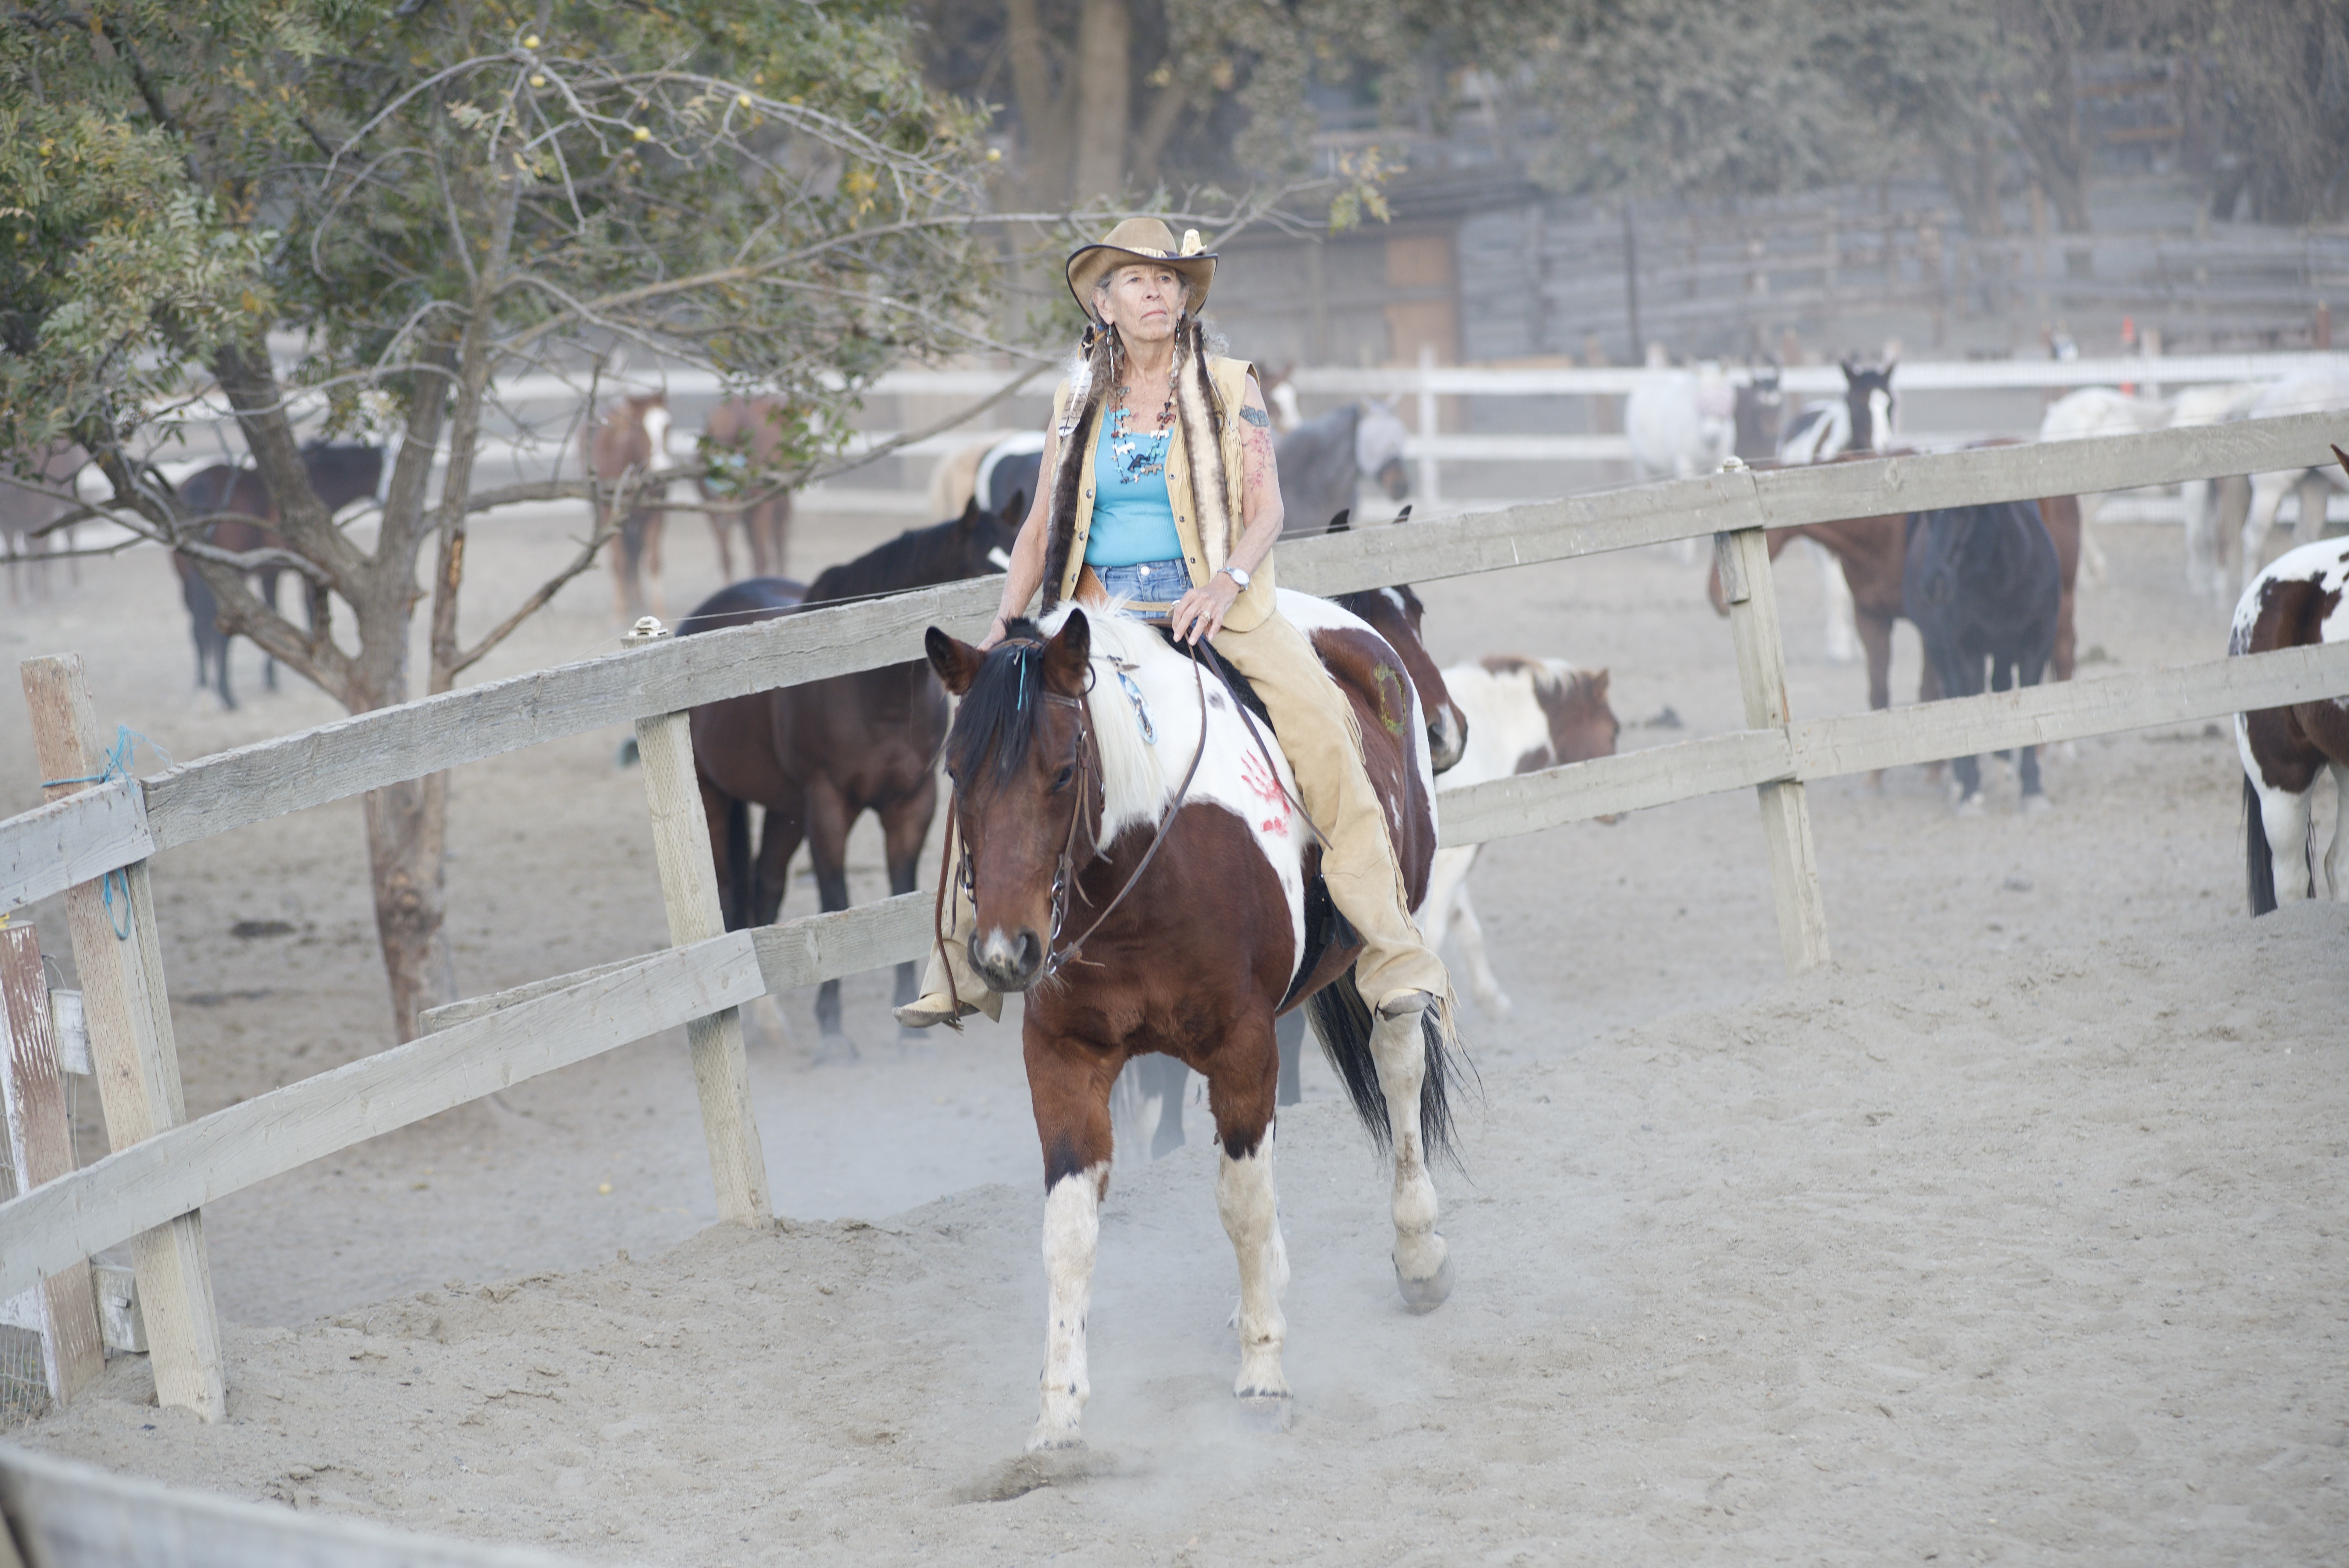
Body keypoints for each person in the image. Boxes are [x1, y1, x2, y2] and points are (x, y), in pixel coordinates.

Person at [896, 216, 1450, 1030]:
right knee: (987, 744)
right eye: (1136, 280)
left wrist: (1226, 583)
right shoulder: (1074, 400)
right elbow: (1039, 528)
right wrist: (1002, 626)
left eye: (1169, 280)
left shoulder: (1231, 385)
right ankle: (959, 965)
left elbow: (1267, 509)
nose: (1157, 292)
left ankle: (1394, 953)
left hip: (1214, 606)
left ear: (1184, 299)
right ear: (1103, 302)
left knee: (1327, 735)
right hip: (1093, 613)